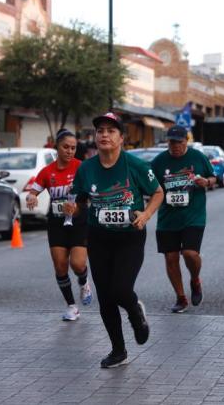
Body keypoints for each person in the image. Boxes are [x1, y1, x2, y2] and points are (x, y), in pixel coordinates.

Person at [64, 112, 164, 368]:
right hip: (98, 238)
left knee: (120, 289)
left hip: (129, 237)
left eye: (111, 131)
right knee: (106, 297)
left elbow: (157, 193)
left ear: (121, 138)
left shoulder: (136, 166)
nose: (104, 135)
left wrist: (146, 213)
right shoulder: (86, 168)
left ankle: (135, 312)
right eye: (100, 131)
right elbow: (79, 199)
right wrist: (71, 207)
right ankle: (118, 351)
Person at [26, 128, 91, 322]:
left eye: (73, 148)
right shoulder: (47, 171)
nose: (70, 151)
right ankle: (72, 306)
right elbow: (34, 191)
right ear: (57, 147)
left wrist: (76, 208)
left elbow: (88, 198)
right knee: (61, 266)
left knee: (77, 264)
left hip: (79, 222)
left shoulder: (82, 168)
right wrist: (31, 197)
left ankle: (84, 281)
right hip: (56, 224)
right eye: (66, 147)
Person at [150, 126, 217, 313]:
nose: (175, 146)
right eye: (171, 142)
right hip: (167, 218)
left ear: (186, 141)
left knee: (190, 254)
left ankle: (195, 280)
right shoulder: (158, 162)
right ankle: (181, 298)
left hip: (193, 215)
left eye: (179, 142)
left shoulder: (198, 157)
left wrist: (207, 182)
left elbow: (213, 177)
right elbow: (150, 187)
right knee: (171, 258)